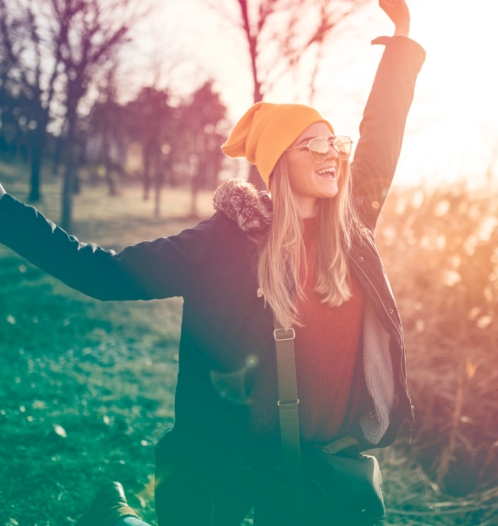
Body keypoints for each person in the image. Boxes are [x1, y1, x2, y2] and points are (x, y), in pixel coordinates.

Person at [0, 0, 425, 524]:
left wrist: (402, 40)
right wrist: (4, 209)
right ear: (276, 164)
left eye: (332, 143)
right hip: (226, 460)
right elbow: (102, 274)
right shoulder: (223, 242)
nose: (330, 154)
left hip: (318, 470)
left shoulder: (351, 228)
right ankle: (115, 514)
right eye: (309, 146)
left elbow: (382, 138)